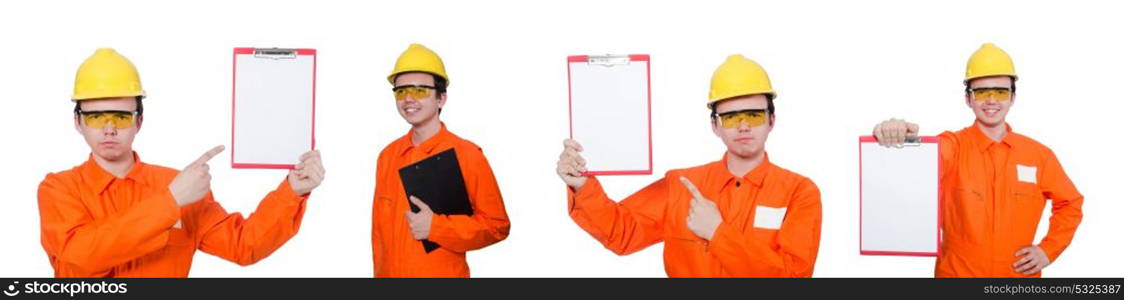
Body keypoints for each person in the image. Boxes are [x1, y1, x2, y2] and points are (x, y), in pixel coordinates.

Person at [38, 48, 325, 277]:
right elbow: (81, 258)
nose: (110, 128)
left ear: (139, 121)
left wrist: (292, 191)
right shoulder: (59, 189)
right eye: (96, 117)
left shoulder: (178, 185)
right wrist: (170, 201)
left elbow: (244, 245)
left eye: (122, 116)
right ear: (78, 122)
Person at [556, 54, 822, 277]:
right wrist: (582, 185)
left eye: (753, 115)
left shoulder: (800, 192)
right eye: (731, 118)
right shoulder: (681, 185)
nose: (743, 126)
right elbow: (622, 232)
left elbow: (794, 276)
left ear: (771, 121)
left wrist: (717, 233)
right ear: (714, 126)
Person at [871, 43, 1083, 277]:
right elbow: (916, 164)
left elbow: (1070, 203)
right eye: (981, 92)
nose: (991, 100)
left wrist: (1048, 249)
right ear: (968, 99)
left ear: (1013, 97)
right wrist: (898, 133)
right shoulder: (952, 146)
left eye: (1001, 92)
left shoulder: (1038, 155)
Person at [371, 44, 510, 277]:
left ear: (441, 98)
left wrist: (437, 227)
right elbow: (379, 236)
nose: (409, 99)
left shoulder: (467, 154)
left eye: (420, 90)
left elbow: (497, 227)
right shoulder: (388, 156)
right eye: (401, 91)